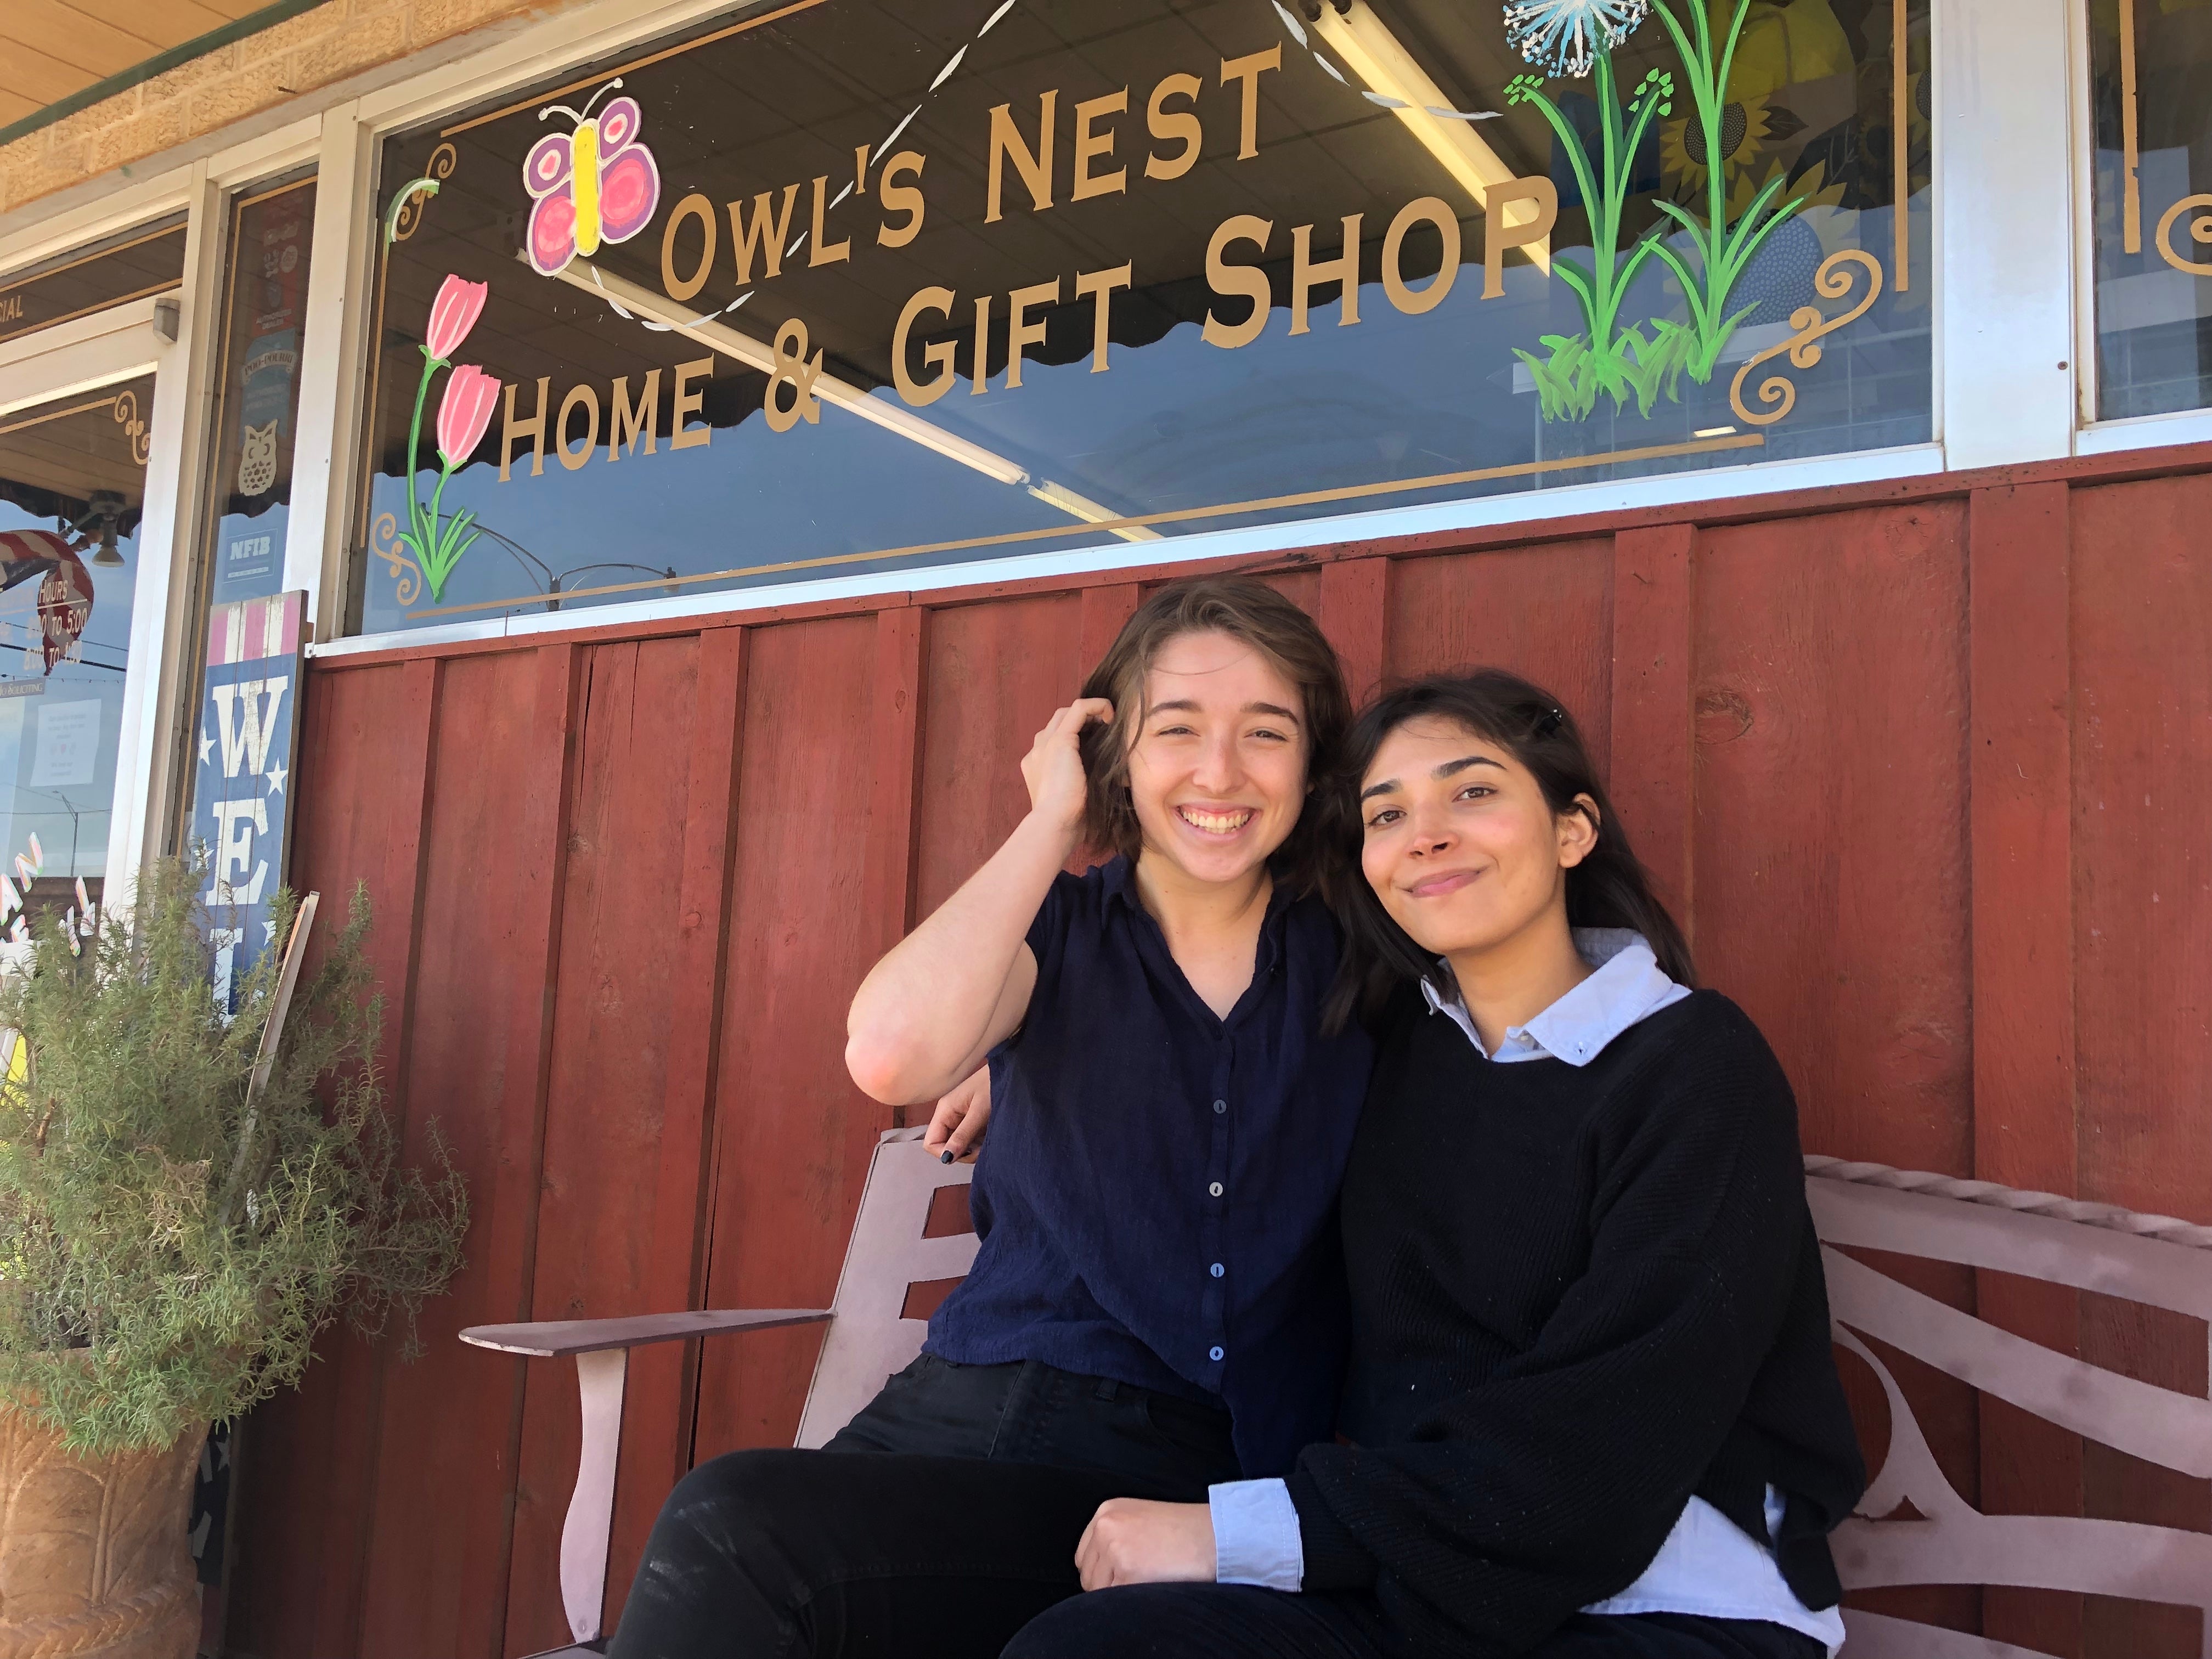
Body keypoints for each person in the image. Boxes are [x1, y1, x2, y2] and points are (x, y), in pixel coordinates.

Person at [1013, 670, 1867, 1659]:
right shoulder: (1393, 1056)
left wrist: (1244, 1531)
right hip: (1418, 1587)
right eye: (1388, 814)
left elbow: (1608, 1439)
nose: (1426, 834)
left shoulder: (1694, 1067)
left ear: (1571, 831)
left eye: (1472, 792)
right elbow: (1219, 1081)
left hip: (1668, 1604)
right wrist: (1028, 1061)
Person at [607, 576, 1372, 1657]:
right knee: (744, 1556)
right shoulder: (1051, 934)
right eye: (1177, 729)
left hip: (1162, 1472)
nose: (1219, 772)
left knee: (738, 1536)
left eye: (1266, 732)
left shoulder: (1355, 960)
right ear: (1112, 752)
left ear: (1313, 761)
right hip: (952, 1416)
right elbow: (889, 1055)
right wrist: (1050, 822)